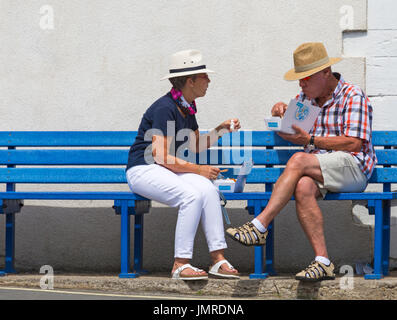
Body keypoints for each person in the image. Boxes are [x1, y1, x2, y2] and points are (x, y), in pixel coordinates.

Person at [226, 42, 377, 282]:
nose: (301, 84)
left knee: (298, 159)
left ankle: (260, 225)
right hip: (319, 167)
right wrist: (280, 112)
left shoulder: (352, 95)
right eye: (299, 79)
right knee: (302, 187)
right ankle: (323, 261)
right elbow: (293, 133)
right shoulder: (305, 99)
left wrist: (312, 139)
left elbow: (354, 144)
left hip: (353, 168)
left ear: (326, 73)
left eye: (306, 78)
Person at [126, 49, 241, 280]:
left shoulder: (187, 107)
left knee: (208, 189)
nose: (209, 80)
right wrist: (199, 169)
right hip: (144, 169)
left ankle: (218, 260)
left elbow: (197, 145)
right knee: (191, 196)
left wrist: (220, 129)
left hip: (162, 169)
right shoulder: (165, 108)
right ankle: (180, 264)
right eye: (204, 76)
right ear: (190, 81)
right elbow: (160, 156)